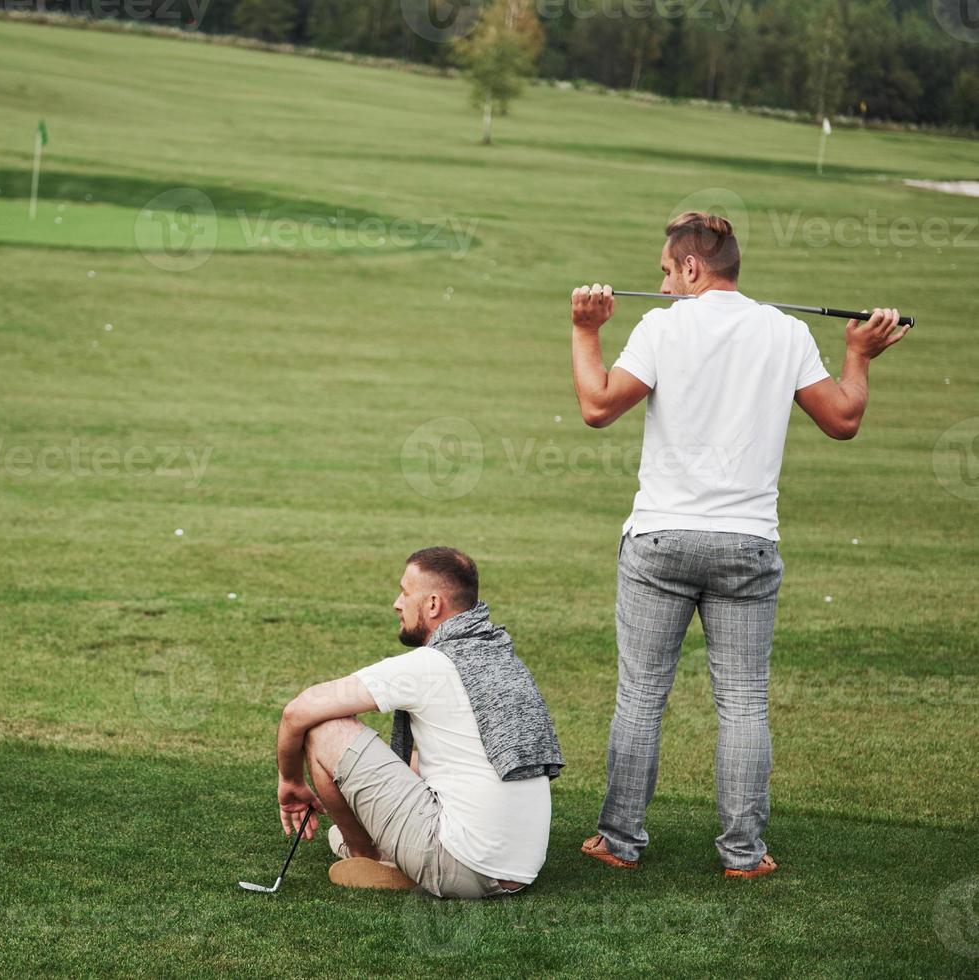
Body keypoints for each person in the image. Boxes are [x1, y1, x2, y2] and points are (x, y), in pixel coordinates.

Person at [568, 211, 908, 877]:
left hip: (660, 539)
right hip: (747, 545)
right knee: (744, 702)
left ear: (691, 267)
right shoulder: (784, 331)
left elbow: (597, 405)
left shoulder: (662, 326)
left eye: (666, 272)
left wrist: (584, 332)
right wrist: (858, 355)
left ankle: (618, 841)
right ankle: (742, 854)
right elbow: (841, 419)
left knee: (640, 697)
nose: (662, 285)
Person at [272, 547, 563, 897]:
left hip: (463, 865)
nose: (397, 603)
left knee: (325, 729)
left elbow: (297, 711)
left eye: (406, 593)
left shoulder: (429, 666)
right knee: (385, 788)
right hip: (520, 869)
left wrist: (290, 782)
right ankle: (398, 852)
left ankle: (368, 856)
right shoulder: (499, 654)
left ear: (433, 605)